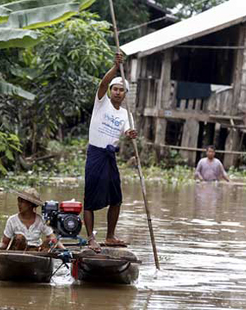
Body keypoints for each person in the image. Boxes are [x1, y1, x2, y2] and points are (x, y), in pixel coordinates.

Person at [84, 52, 137, 252]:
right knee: (89, 199)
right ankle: (90, 238)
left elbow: (127, 130)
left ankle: (110, 236)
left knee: (116, 198)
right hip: (95, 154)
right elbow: (102, 85)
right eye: (115, 89)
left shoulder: (125, 114)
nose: (117, 92)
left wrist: (131, 133)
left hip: (110, 156)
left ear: (124, 95)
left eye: (121, 90)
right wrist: (115, 67)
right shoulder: (102, 103)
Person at [0, 188, 64, 252]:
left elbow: (52, 237)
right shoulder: (12, 220)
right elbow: (4, 243)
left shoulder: (40, 220)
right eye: (19, 201)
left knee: (50, 241)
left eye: (22, 202)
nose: (19, 204)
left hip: (36, 252)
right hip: (17, 251)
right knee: (19, 238)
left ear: (30, 204)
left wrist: (64, 250)